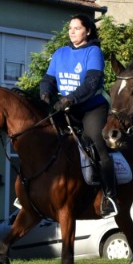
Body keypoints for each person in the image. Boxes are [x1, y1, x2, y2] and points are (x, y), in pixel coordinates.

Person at [40, 14, 118, 218]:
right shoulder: (60, 53)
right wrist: (46, 93)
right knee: (45, 138)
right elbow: (48, 78)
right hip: (65, 109)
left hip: (91, 108)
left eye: (77, 28)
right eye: (70, 28)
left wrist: (69, 99)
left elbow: (92, 84)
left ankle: (110, 194)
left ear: (88, 31)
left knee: (97, 142)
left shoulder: (94, 52)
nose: (72, 31)